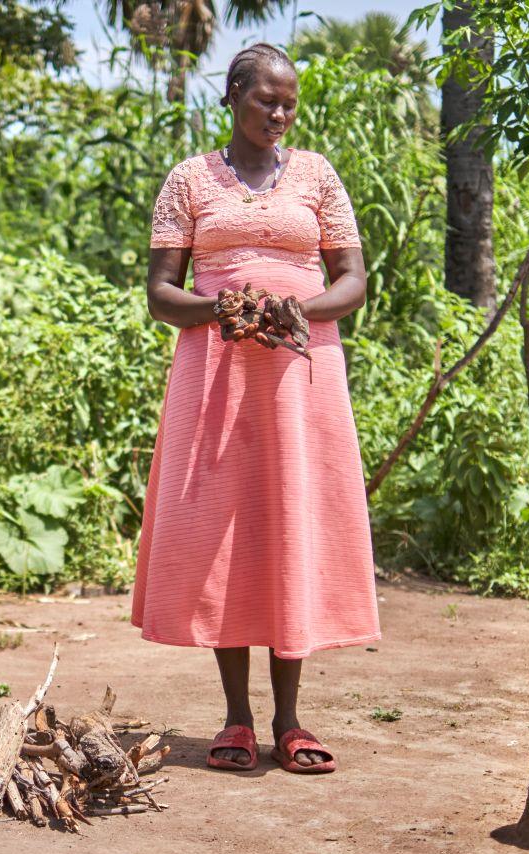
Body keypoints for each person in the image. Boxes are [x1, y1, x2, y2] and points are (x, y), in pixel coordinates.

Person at [131, 42, 379, 775]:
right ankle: (237, 720)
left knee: (290, 525)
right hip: (215, 376)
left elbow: (353, 281)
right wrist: (221, 310)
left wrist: (298, 310)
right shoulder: (188, 182)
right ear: (232, 97)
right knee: (223, 534)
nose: (279, 113)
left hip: (301, 382)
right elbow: (160, 294)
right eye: (266, 99)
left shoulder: (317, 177)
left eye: (289, 103)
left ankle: (291, 721)